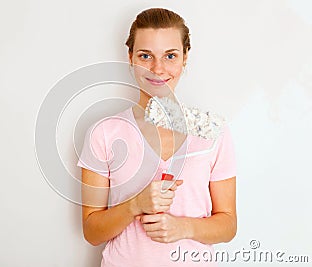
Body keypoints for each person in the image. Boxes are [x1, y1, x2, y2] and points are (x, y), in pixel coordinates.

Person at [78, 7, 237, 267]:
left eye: (170, 56)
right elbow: (92, 232)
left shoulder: (214, 135)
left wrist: (182, 228)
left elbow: (228, 224)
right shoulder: (104, 133)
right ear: (130, 57)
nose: (157, 68)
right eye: (145, 56)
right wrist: (135, 205)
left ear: (185, 57)